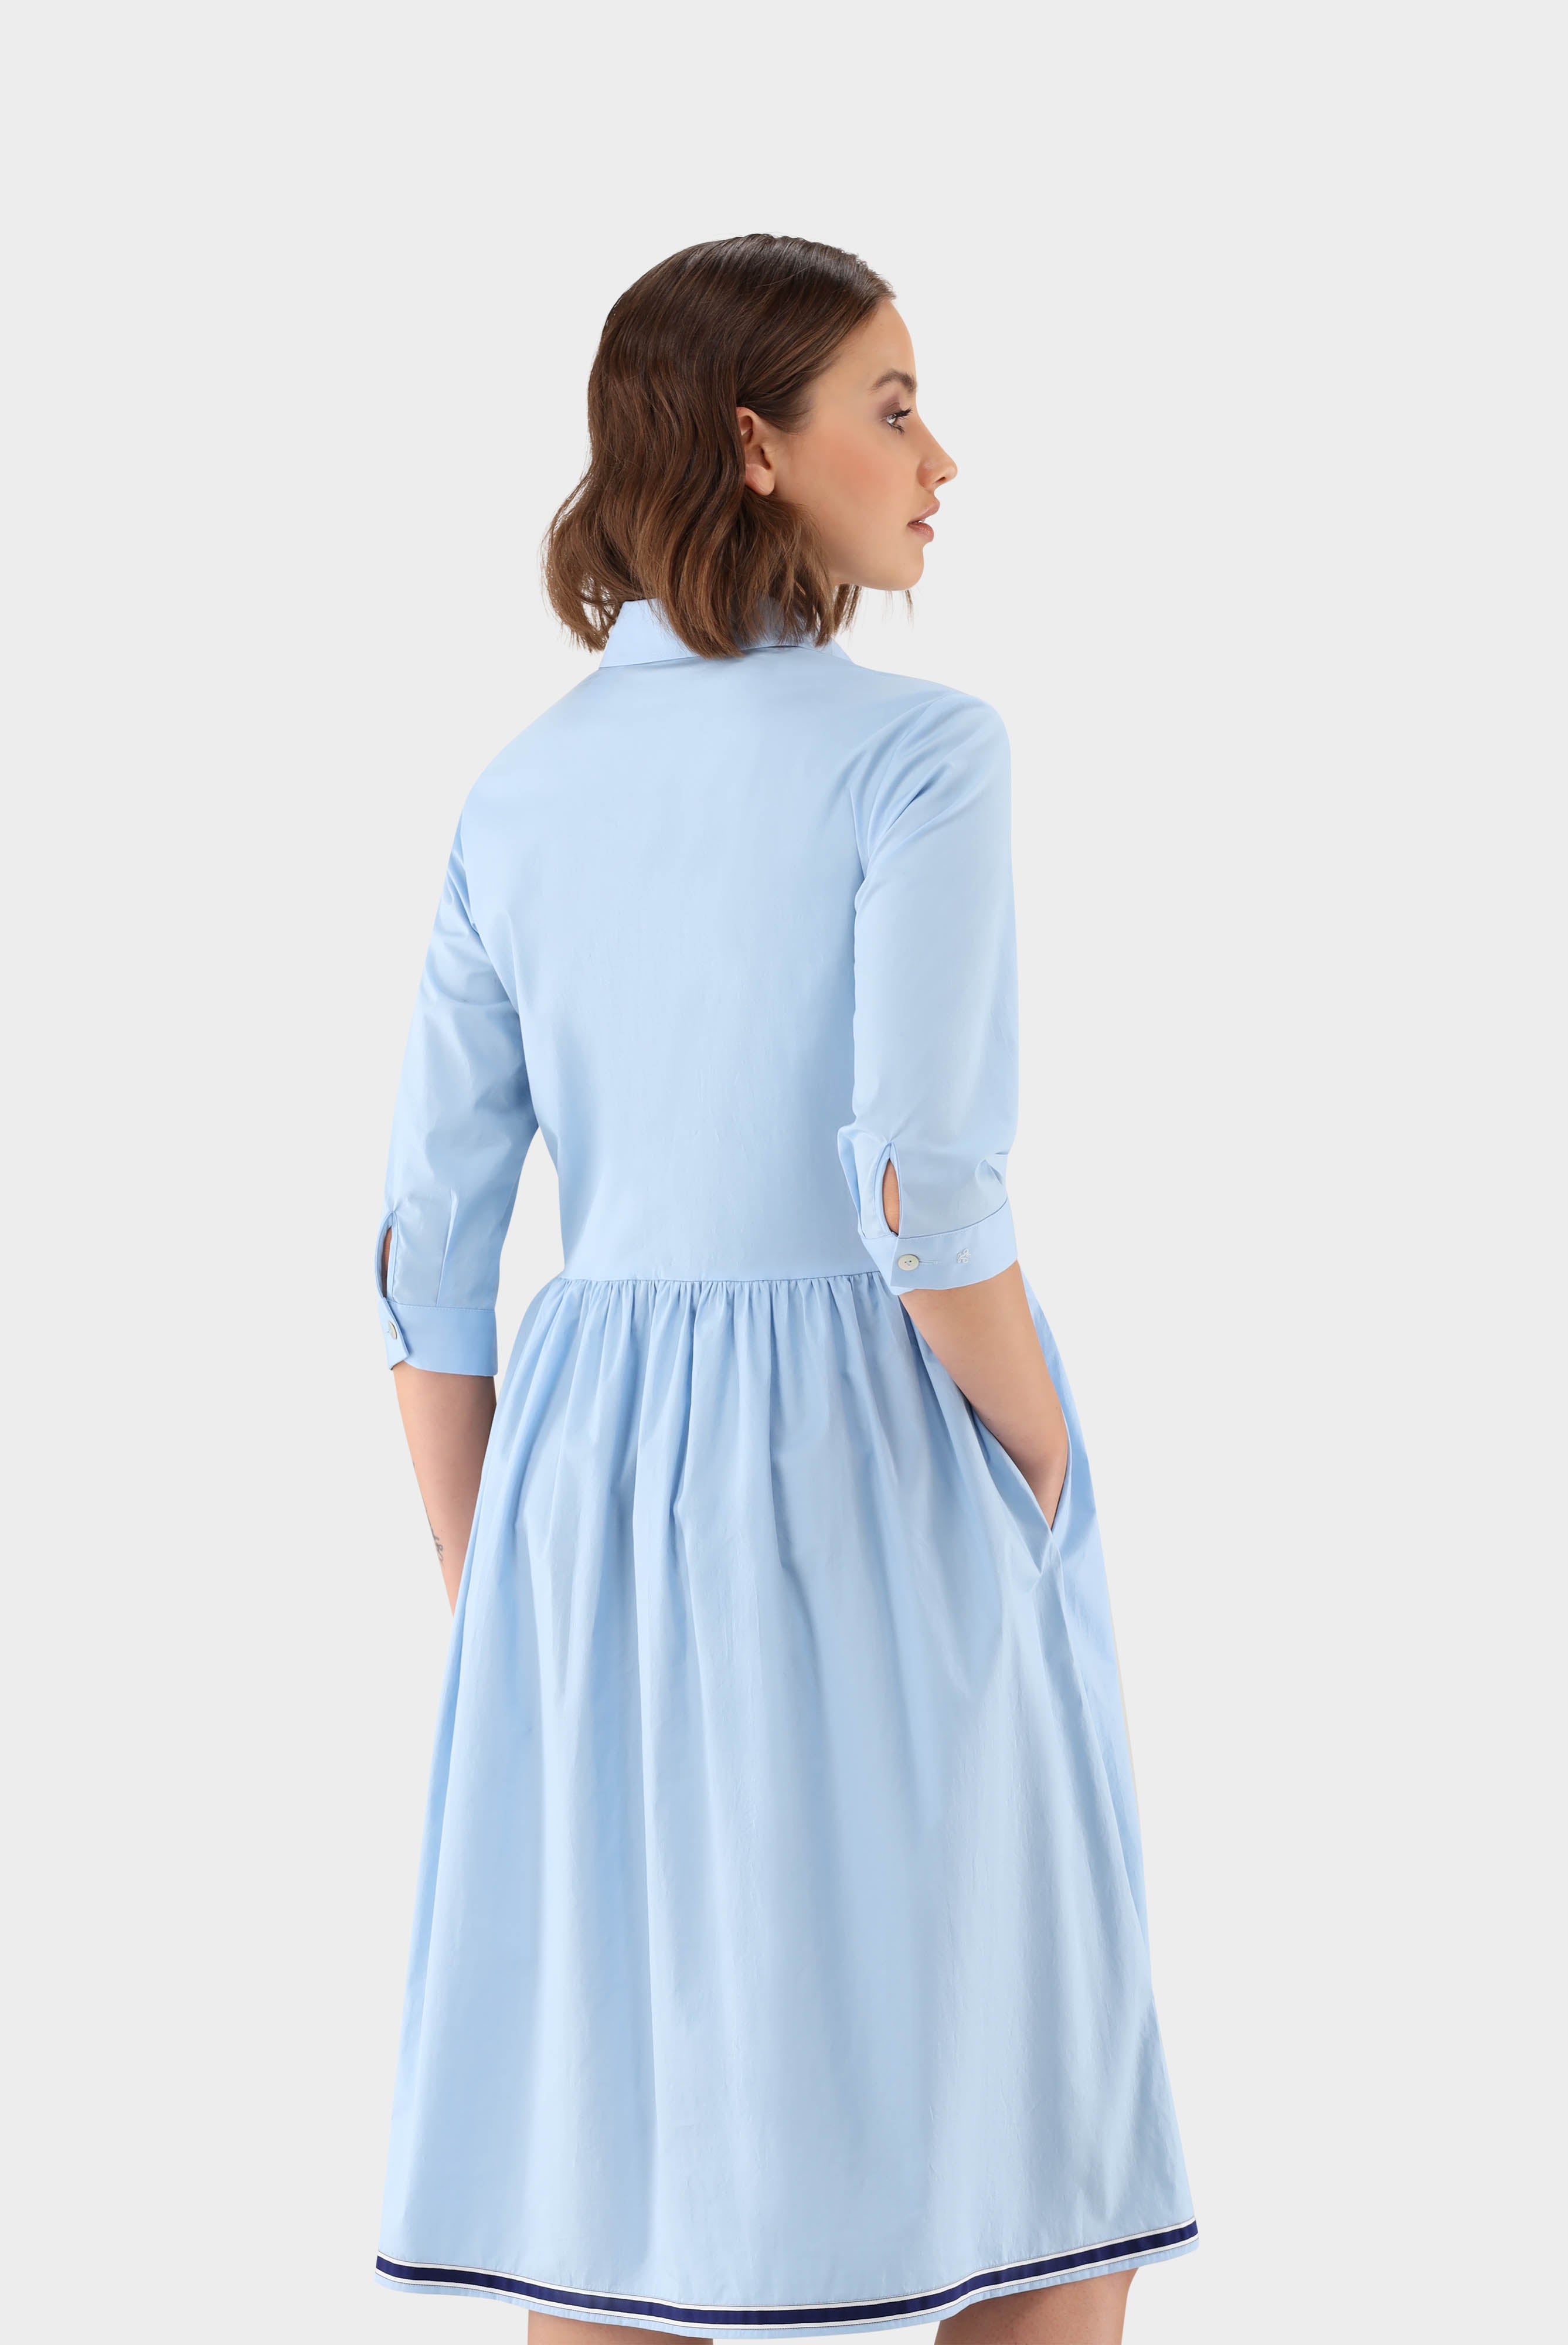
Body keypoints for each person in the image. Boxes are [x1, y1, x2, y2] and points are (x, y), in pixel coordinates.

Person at [371, 234, 1195, 2345]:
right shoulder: (923, 752)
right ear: (757, 447)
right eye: (893, 408)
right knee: (1030, 2126)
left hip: (585, 1490)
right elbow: (920, 1182)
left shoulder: (518, 789)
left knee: (618, 2163)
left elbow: (427, 1257)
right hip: (872, 1450)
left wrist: (499, 1580)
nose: (940, 460)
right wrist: (1038, 1463)